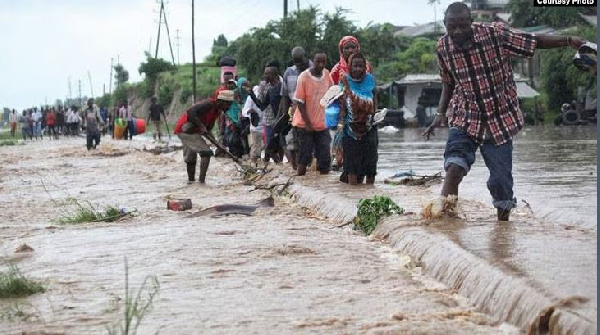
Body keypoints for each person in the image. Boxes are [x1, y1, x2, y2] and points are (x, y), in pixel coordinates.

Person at [422, 2, 586, 221]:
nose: (458, 31)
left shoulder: (495, 34)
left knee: (501, 185)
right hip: (466, 114)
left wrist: (566, 41)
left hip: (500, 117)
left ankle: (503, 231)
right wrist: (440, 114)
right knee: (454, 166)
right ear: (445, 25)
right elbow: (448, 82)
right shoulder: (443, 47)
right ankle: (445, 221)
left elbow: (533, 41)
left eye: (463, 26)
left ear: (471, 23)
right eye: (452, 27)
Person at [330, 36, 373, 171]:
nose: (350, 50)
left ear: (357, 48)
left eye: (352, 47)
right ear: (341, 51)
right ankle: (341, 162)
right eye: (346, 48)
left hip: (363, 109)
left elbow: (371, 86)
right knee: (343, 138)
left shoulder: (366, 66)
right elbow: (332, 90)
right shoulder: (337, 70)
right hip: (344, 108)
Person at [173, 90, 234, 183]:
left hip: (192, 132)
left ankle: (191, 183)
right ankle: (201, 182)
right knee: (206, 153)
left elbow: (208, 129)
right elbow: (190, 112)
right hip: (185, 130)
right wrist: (201, 126)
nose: (228, 107)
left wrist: (218, 144)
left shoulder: (217, 111)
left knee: (190, 158)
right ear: (222, 101)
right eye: (228, 104)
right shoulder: (208, 104)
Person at [337, 53, 378, 185]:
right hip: (350, 128)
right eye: (355, 66)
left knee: (371, 163)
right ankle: (352, 193)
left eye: (361, 66)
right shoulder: (344, 81)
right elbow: (342, 103)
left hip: (369, 126)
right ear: (350, 67)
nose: (358, 69)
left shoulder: (370, 79)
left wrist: (375, 114)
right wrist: (341, 122)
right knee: (352, 163)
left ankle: (370, 192)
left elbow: (374, 98)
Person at [292, 52, 333, 176]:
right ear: (313, 61)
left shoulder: (327, 74)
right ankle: (300, 180)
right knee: (304, 155)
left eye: (323, 62)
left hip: (322, 123)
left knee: (325, 156)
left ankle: (323, 188)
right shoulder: (303, 77)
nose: (320, 65)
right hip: (305, 124)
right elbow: (300, 102)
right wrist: (308, 123)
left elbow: (331, 93)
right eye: (318, 62)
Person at [279, 46, 313, 170]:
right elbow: (284, 96)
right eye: (295, 61)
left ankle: (308, 170)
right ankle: (296, 173)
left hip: (312, 113)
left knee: (309, 144)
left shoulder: (315, 70)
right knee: (292, 143)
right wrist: (284, 115)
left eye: (300, 60)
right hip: (294, 113)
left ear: (306, 56)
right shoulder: (289, 72)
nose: (298, 64)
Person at [242, 84, 266, 164]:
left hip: (267, 126)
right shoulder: (251, 98)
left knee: (267, 147)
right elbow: (244, 111)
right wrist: (250, 111)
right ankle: (253, 164)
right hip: (256, 127)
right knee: (256, 147)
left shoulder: (266, 96)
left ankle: (265, 163)